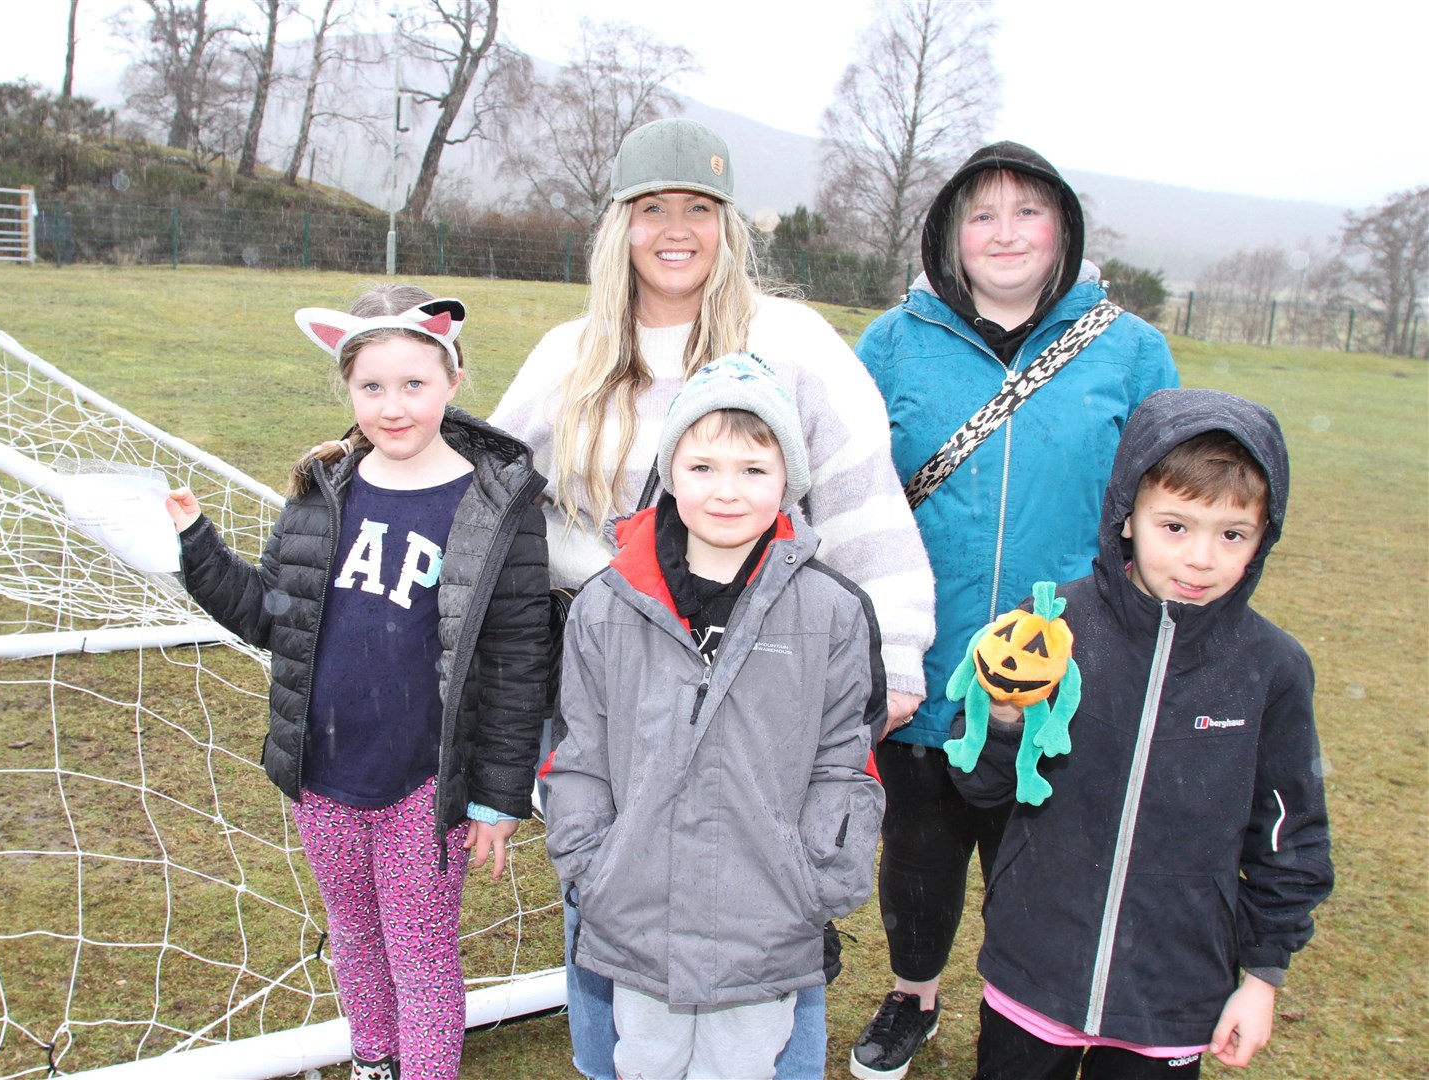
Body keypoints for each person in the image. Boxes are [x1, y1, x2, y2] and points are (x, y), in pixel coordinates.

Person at [491, 116, 935, 1079]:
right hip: (606, 672)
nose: (676, 228)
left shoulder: (792, 341)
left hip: (765, 672)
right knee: (612, 906)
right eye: (653, 208)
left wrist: (894, 649)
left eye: (699, 207)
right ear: (622, 225)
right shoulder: (572, 354)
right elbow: (492, 490)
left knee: (767, 909)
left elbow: (859, 493)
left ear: (729, 225)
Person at [851, 141, 1179, 1080]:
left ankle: (1028, 1009)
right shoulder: (894, 342)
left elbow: (1168, 499)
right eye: (982, 214)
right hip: (922, 650)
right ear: (950, 233)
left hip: (1067, 663)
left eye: (1026, 212)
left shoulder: (1130, 349)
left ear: (1063, 229)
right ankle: (913, 994)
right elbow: (847, 491)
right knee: (918, 846)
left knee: (1039, 854)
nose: (1005, 233)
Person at [165, 285, 548, 1080]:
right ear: (347, 388)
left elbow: (517, 661)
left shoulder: (496, 504)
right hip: (324, 775)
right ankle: (374, 1061)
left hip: (425, 782)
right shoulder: (322, 488)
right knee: (355, 935)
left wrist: (499, 798)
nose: (393, 405)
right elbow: (273, 616)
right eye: (372, 386)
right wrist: (196, 546)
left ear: (453, 379)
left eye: (414, 384)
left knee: (419, 952)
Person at [952, 387, 1333, 1078]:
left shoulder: (1272, 668)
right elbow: (978, 784)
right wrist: (1005, 715)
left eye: (1233, 535)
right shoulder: (1054, 628)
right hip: (1036, 960)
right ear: (1127, 517)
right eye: (1176, 527)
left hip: (1174, 988)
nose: (1200, 559)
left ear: (1264, 535)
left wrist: (1263, 977)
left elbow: (1290, 834)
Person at [545, 353, 886, 1080]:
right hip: (636, 905)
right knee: (645, 1061)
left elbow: (846, 760)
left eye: (753, 470)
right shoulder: (607, 605)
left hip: (764, 915)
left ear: (788, 481)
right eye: (702, 468)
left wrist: (813, 877)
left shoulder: (831, 611)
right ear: (670, 472)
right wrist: (592, 867)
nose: (726, 491)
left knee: (742, 1065)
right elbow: (579, 751)